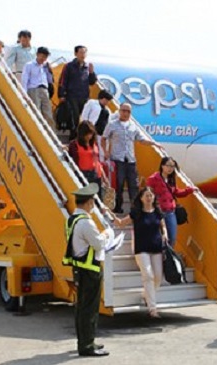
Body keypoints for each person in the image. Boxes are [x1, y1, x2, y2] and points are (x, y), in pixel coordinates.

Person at [62, 183, 112, 357]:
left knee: (82, 307)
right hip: (90, 270)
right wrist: (106, 235)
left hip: (79, 268)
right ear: (89, 202)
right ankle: (86, 345)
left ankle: (86, 341)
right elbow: (98, 244)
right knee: (89, 308)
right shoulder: (86, 223)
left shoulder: (71, 219)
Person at [114, 187, 168, 318]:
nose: (149, 198)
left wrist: (165, 234)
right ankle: (152, 308)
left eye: (151, 195)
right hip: (141, 249)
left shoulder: (158, 212)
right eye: (146, 196)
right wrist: (110, 214)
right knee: (148, 275)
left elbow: (163, 226)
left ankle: (146, 295)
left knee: (158, 277)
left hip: (156, 248)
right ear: (141, 198)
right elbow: (121, 223)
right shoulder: (136, 213)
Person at [102, 103, 162, 214]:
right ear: (119, 111)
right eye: (123, 110)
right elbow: (104, 138)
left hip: (130, 160)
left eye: (128, 111)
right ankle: (117, 207)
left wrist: (154, 143)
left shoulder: (133, 126)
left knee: (133, 186)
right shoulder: (112, 124)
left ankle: (135, 209)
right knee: (118, 185)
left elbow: (141, 140)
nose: (125, 113)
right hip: (117, 159)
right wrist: (105, 152)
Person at [146, 156, 197, 247]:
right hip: (157, 212)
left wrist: (189, 190)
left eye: (172, 166)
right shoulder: (153, 178)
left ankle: (168, 258)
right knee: (158, 238)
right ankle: (160, 258)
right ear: (162, 166)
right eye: (168, 165)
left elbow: (176, 192)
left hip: (170, 212)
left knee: (172, 238)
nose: (170, 168)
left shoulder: (171, 179)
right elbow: (147, 194)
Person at [58, 45, 98, 140]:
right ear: (75, 53)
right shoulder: (69, 66)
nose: (83, 54)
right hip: (72, 96)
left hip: (84, 97)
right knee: (75, 117)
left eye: (84, 52)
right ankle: (73, 138)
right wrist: (61, 94)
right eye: (80, 52)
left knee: (84, 118)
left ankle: (81, 138)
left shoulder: (87, 67)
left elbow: (92, 82)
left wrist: (92, 72)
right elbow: (63, 80)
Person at [68, 121, 107, 199]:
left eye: (91, 133)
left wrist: (104, 176)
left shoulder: (94, 144)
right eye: (87, 133)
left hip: (96, 174)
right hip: (82, 174)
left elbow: (97, 161)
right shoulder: (74, 145)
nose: (89, 136)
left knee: (98, 199)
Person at [20, 47, 54, 129]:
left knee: (48, 113)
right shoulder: (29, 65)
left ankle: (50, 133)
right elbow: (25, 79)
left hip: (44, 89)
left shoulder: (45, 66)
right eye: (42, 56)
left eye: (45, 57)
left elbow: (50, 80)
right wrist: (24, 93)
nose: (43, 59)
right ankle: (36, 130)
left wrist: (49, 70)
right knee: (36, 112)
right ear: (37, 55)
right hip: (34, 89)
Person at [81, 90, 113, 161]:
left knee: (101, 151)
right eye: (106, 100)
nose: (107, 102)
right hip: (91, 129)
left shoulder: (108, 110)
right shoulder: (92, 103)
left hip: (102, 133)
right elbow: (85, 114)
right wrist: (84, 125)